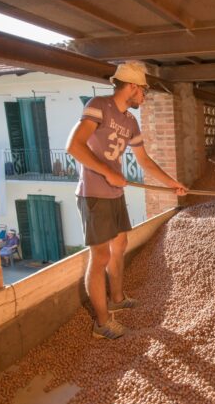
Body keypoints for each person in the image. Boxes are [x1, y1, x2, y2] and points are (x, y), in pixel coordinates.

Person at [66, 61, 187, 340]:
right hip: (94, 194)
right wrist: (108, 172)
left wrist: (171, 183)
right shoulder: (99, 106)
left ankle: (117, 299)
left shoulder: (130, 122)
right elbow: (74, 146)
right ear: (132, 87)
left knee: (119, 245)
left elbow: (144, 160)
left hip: (114, 194)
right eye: (143, 90)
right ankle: (102, 324)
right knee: (100, 257)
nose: (144, 96)